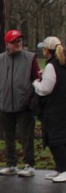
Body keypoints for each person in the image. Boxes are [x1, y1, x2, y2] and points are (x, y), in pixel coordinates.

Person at [0, 29, 41, 177]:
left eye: (19, 41)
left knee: (27, 136)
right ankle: (11, 164)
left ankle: (29, 165)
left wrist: (32, 100)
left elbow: (36, 80)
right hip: (5, 103)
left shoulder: (30, 58)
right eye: (14, 42)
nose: (18, 43)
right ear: (7, 44)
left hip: (25, 105)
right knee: (8, 136)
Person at [33, 36, 66, 182]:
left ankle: (64, 170)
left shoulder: (51, 66)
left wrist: (36, 83)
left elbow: (45, 89)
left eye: (44, 49)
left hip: (54, 108)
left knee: (55, 139)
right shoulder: (61, 63)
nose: (43, 51)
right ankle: (60, 168)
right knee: (61, 138)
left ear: (47, 50)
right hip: (62, 106)